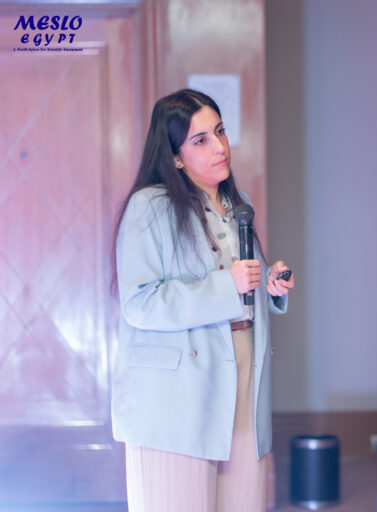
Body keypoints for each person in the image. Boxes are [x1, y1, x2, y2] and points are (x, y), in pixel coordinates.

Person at [111, 88, 294, 512]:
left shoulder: (239, 205)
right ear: (176, 157)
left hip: (244, 376)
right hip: (178, 395)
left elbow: (243, 281)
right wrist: (227, 286)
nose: (220, 146)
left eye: (220, 131)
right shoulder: (149, 207)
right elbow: (140, 302)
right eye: (201, 140)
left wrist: (269, 285)